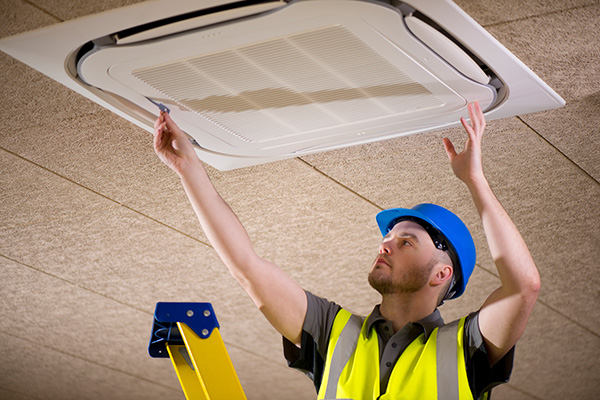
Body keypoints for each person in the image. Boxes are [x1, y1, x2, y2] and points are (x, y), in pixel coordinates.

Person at [153, 102, 540, 399]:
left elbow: (524, 287)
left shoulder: (465, 347)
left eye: (406, 242)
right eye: (387, 239)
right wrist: (189, 169)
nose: (386, 244)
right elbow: (248, 268)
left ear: (442, 274)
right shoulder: (333, 332)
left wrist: (475, 181)